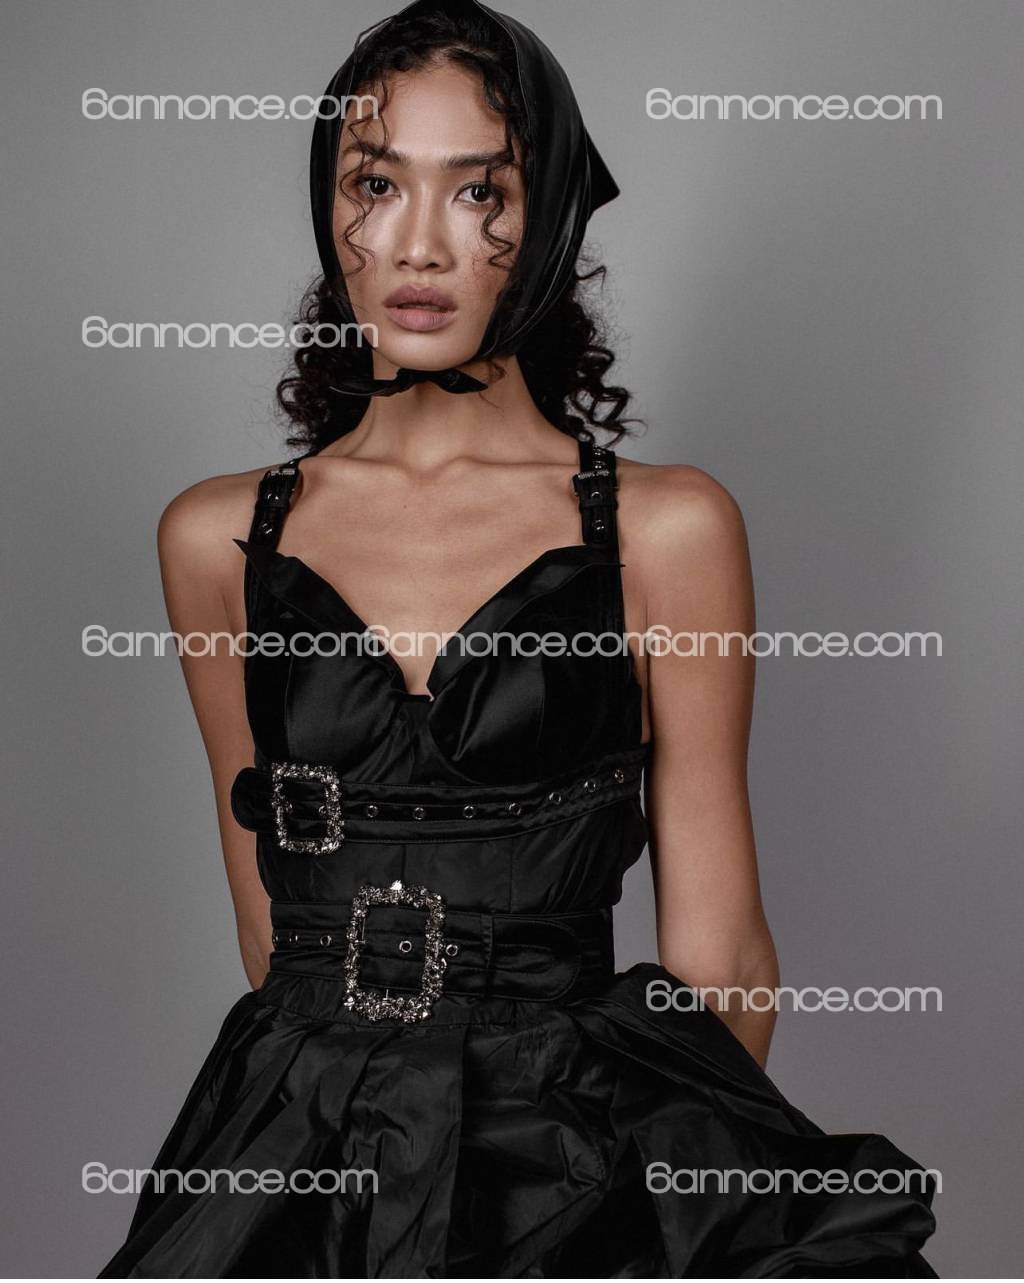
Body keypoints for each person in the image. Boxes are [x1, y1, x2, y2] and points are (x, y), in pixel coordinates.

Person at [100, 0, 938, 1275]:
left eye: (478, 190)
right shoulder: (215, 538)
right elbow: (270, 927)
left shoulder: (665, 528)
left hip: (577, 1151)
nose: (417, 241)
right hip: (298, 1153)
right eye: (375, 183)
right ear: (330, 207)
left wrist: (667, 1221)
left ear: (542, 226)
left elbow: (717, 949)